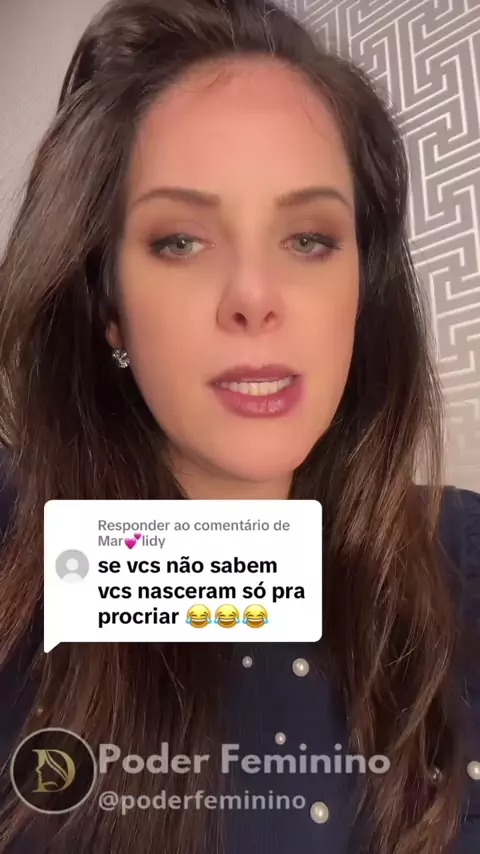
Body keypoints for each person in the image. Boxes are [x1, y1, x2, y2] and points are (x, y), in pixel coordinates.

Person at [0, 0, 478, 851]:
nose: (255, 297)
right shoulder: (27, 554)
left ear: (361, 295)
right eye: (182, 241)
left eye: (309, 239)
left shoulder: (461, 555)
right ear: (109, 310)